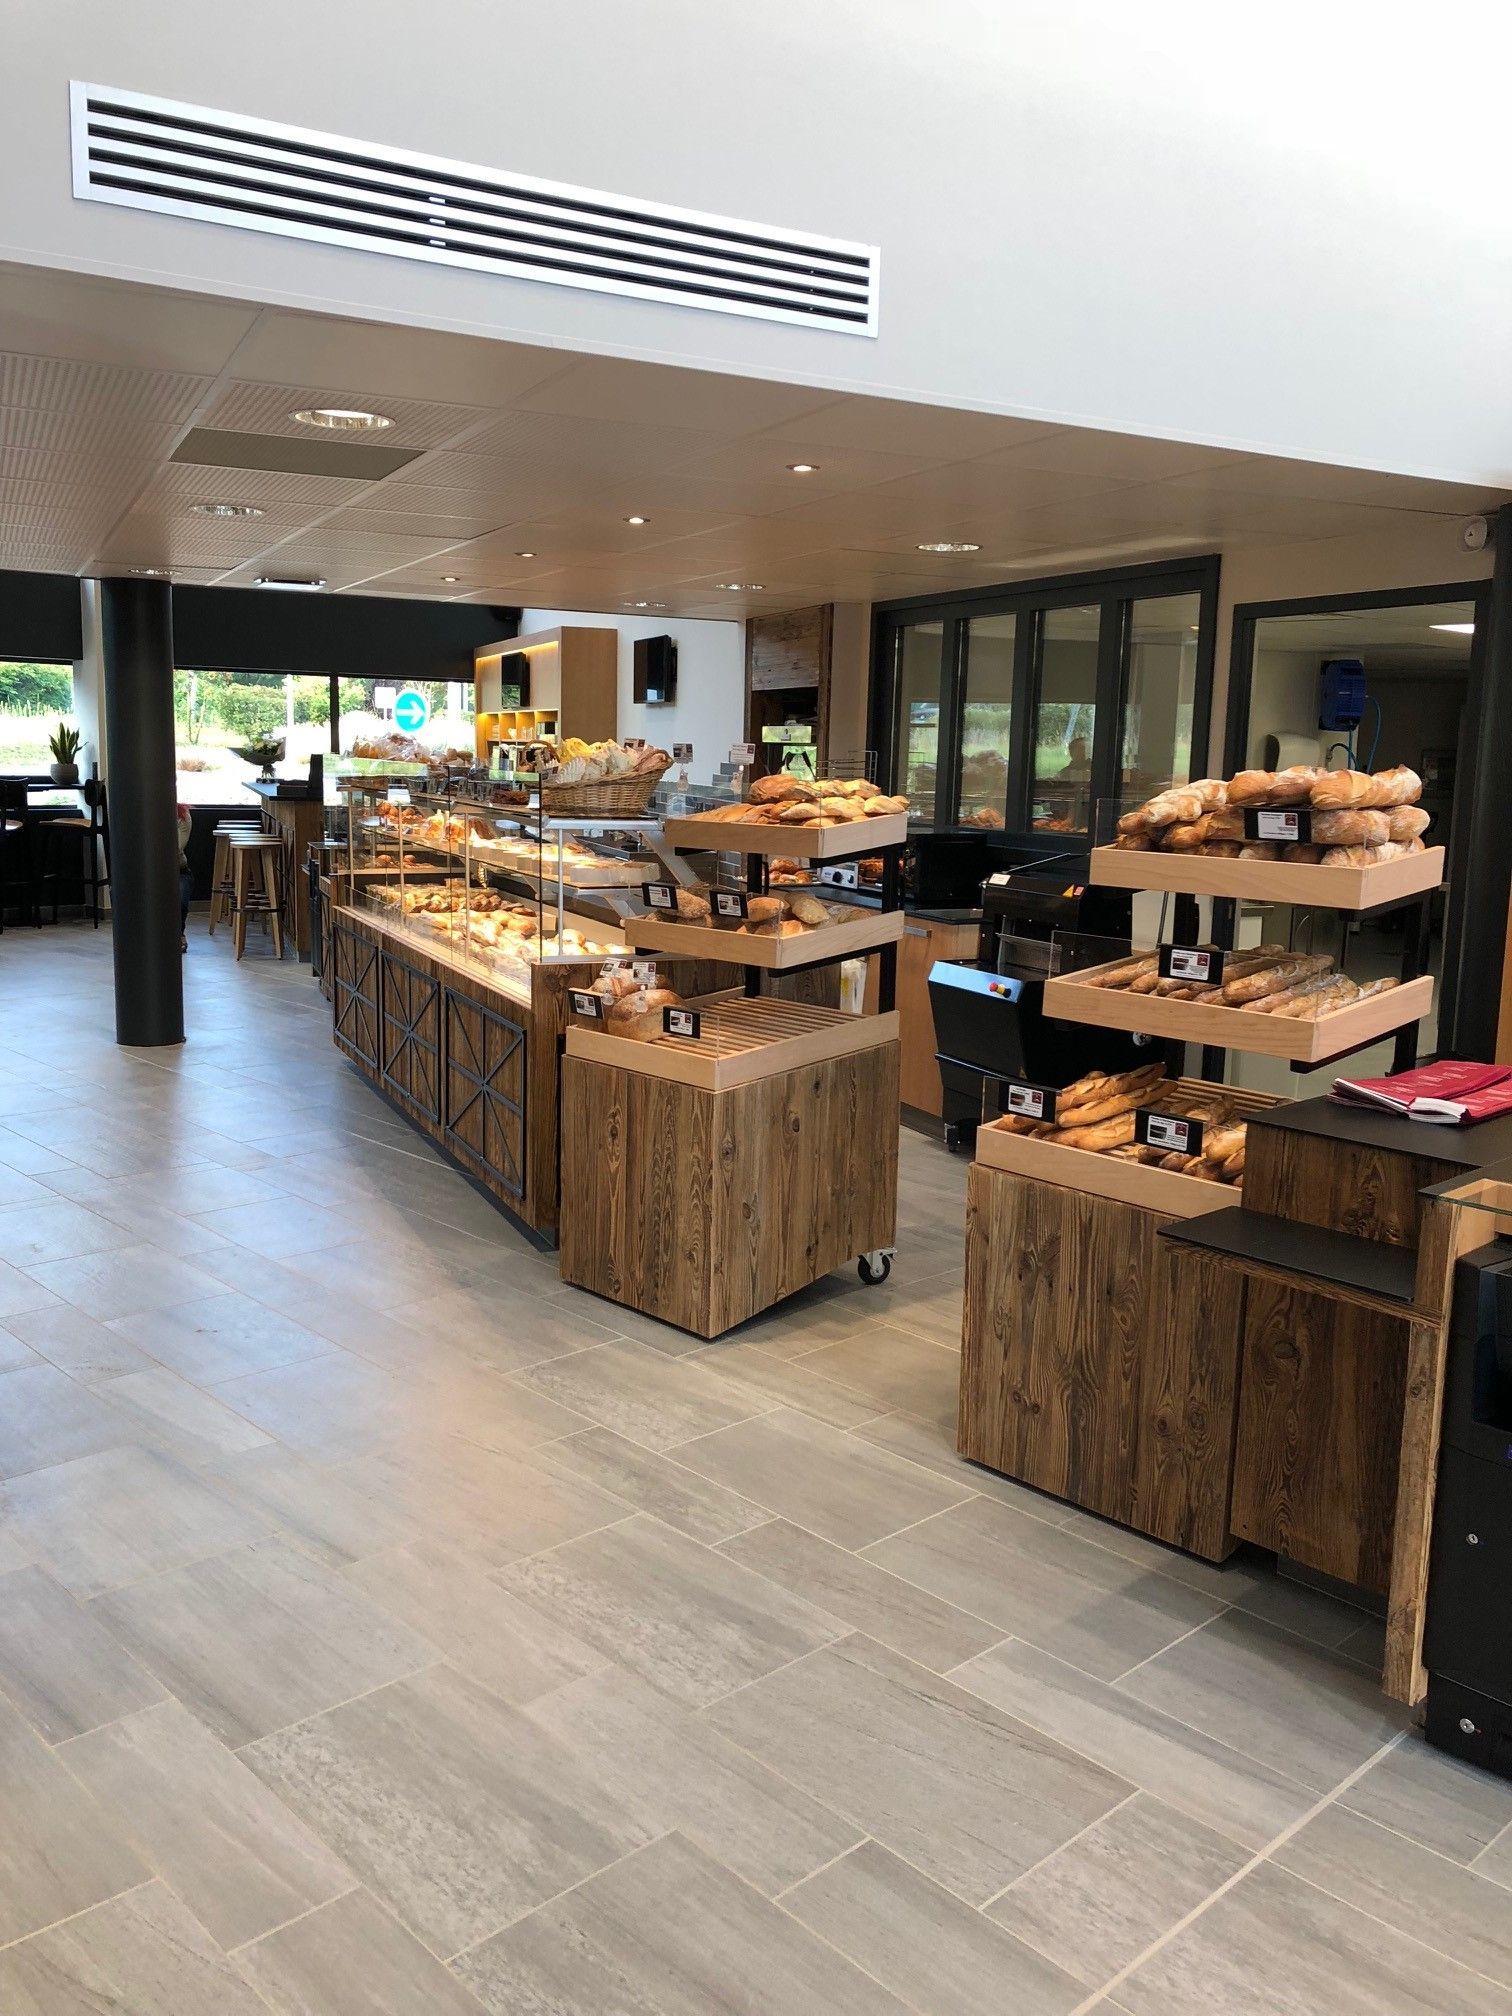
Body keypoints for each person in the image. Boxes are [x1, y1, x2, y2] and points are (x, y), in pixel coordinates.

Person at [177, 802, 193, 952]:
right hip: (147, 872)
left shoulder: (182, 816)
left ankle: (178, 934)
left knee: (181, 901)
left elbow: (175, 848)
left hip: (179, 870)